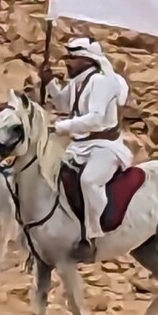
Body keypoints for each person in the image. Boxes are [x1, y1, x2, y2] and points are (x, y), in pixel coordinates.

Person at [48, 35, 133, 259]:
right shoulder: (78, 81)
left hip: (104, 146)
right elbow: (63, 103)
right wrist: (49, 83)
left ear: (86, 60)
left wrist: (61, 127)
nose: (67, 62)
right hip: (79, 145)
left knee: (89, 181)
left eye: (72, 58)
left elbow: (95, 118)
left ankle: (93, 236)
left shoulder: (101, 81)